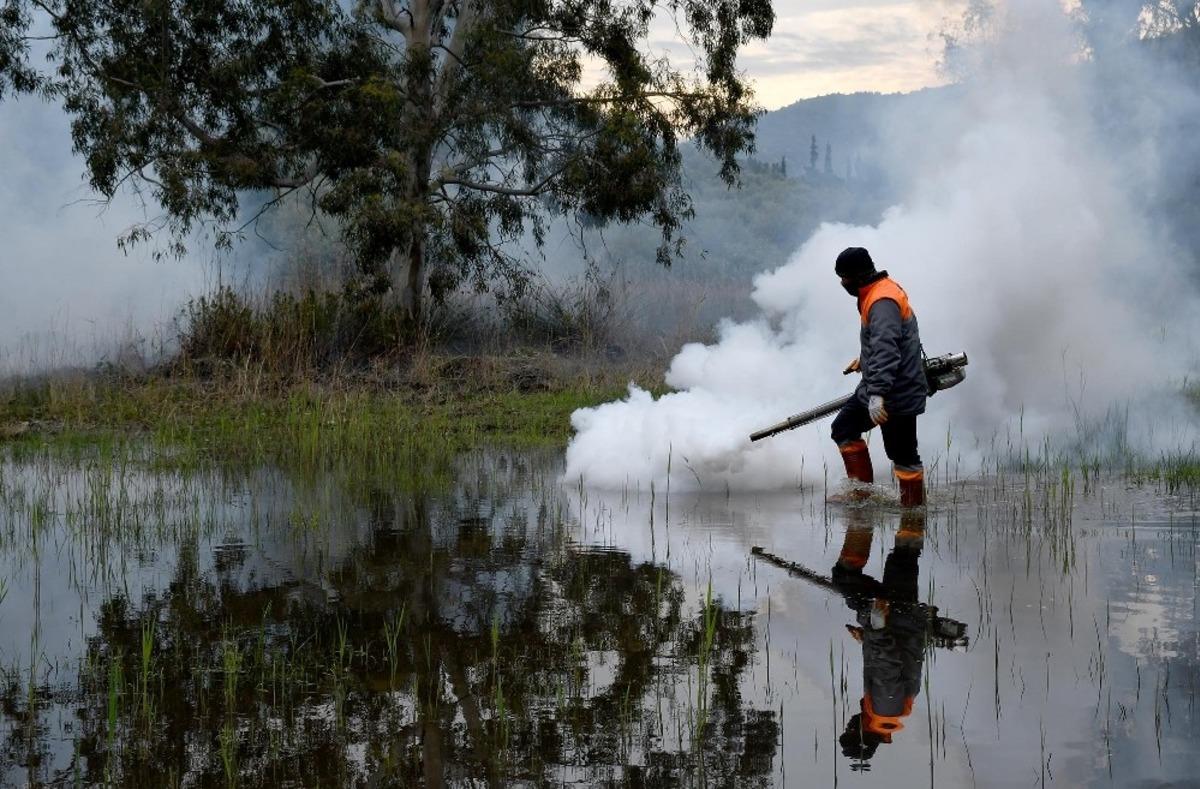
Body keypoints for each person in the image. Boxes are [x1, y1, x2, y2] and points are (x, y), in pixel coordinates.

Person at [831, 247, 926, 507]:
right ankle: (861, 494)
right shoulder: (875, 292)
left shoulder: (882, 299)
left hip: (897, 392)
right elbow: (886, 340)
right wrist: (865, 359)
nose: (842, 283)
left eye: (844, 278)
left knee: (904, 456)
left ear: (857, 276)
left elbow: (888, 349)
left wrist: (877, 395)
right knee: (844, 428)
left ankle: (913, 518)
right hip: (881, 386)